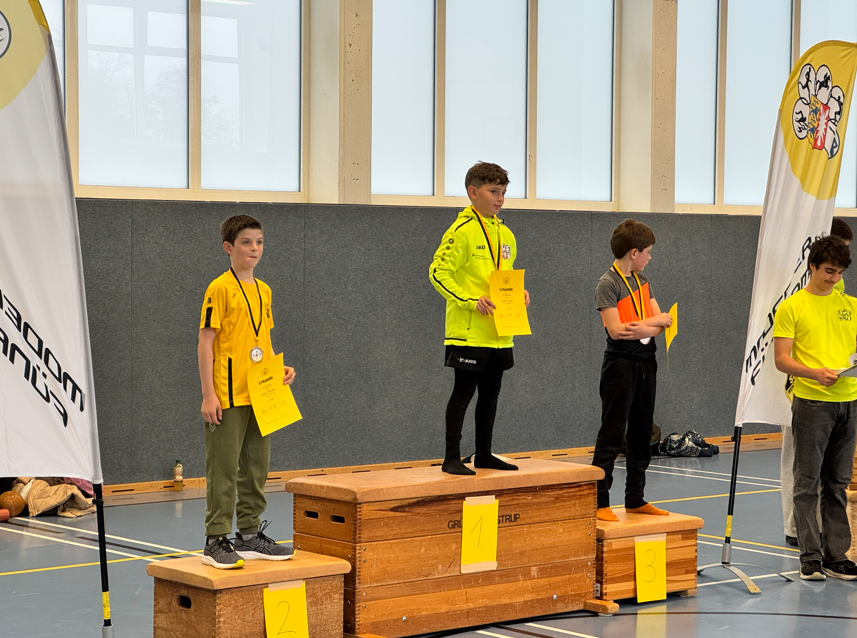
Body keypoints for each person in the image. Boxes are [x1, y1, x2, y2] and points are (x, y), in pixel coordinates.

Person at [197, 214, 297, 569]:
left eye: (259, 242)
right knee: (223, 470)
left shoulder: (263, 290)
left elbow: (261, 340)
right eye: (246, 242)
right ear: (228, 247)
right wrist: (209, 394)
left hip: (260, 393)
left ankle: (250, 535)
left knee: (256, 469)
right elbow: (205, 343)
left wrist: (277, 368)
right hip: (227, 395)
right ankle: (215, 540)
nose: (254, 248)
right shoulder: (219, 289)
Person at [429, 162, 530, 475]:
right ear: (473, 192)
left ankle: (484, 453)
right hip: (469, 331)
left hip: (499, 332)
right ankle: (451, 458)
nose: (500, 199)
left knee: (491, 394)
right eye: (493, 191)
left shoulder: (506, 233)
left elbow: (502, 277)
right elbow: (438, 273)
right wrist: (470, 301)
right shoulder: (461, 232)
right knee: (463, 393)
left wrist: (518, 293)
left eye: (503, 192)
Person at [773, 234, 857, 580]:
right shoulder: (792, 307)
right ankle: (810, 556)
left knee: (838, 483)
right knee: (807, 482)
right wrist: (814, 373)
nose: (834, 278)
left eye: (840, 273)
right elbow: (781, 360)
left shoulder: (851, 306)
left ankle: (837, 555)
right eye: (828, 271)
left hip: (849, 400)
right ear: (812, 266)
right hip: (811, 403)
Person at [592, 220, 673, 522]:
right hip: (621, 365)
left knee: (641, 433)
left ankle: (635, 499)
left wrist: (644, 327)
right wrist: (652, 323)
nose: (650, 257)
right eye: (648, 252)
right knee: (612, 434)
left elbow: (664, 321)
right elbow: (616, 330)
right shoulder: (608, 284)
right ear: (634, 252)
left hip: (646, 362)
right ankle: (600, 500)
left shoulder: (643, 281)